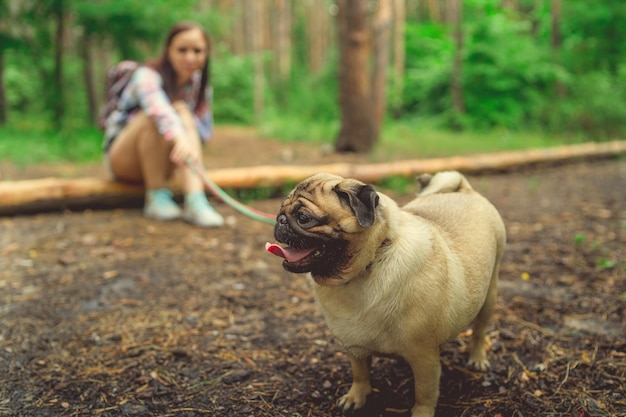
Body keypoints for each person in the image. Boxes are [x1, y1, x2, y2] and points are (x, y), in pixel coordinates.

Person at [102, 21, 224, 227]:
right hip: (124, 161)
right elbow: (159, 111)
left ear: (206, 54)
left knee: (183, 113)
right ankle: (156, 196)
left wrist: (186, 118)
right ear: (168, 51)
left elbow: (205, 134)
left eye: (197, 51)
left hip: (168, 162)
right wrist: (180, 132)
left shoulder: (199, 86)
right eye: (182, 50)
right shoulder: (146, 76)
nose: (190, 57)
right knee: (155, 117)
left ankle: (195, 200)